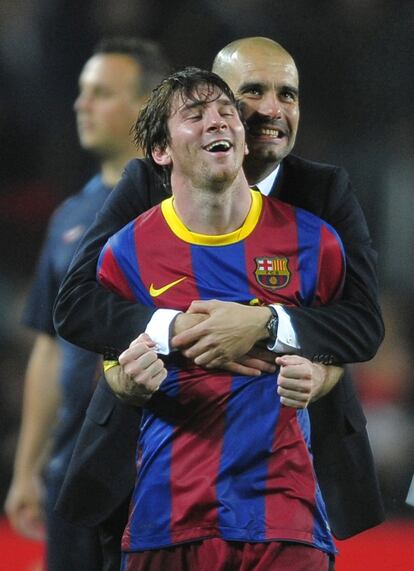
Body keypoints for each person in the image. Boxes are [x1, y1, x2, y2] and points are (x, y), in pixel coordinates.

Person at [54, 36, 384, 548]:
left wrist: (266, 323)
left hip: (287, 486)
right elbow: (76, 305)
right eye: (251, 92)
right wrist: (177, 327)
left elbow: (362, 324)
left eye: (288, 94)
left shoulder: (322, 194)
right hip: (151, 475)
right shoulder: (148, 181)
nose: (272, 109)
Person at [99, 65, 344, 570]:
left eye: (227, 112)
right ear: (161, 151)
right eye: (195, 115)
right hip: (166, 521)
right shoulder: (125, 252)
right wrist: (132, 380)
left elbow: (341, 343)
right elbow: (114, 374)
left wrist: (318, 375)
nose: (218, 122)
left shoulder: (314, 241)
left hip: (283, 519)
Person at [4, 37, 169, 571]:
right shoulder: (68, 216)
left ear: (145, 105)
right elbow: (50, 350)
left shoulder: (185, 208)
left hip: (160, 470)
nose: (81, 104)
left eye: (99, 93)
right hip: (75, 468)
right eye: (81, 91)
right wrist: (29, 467)